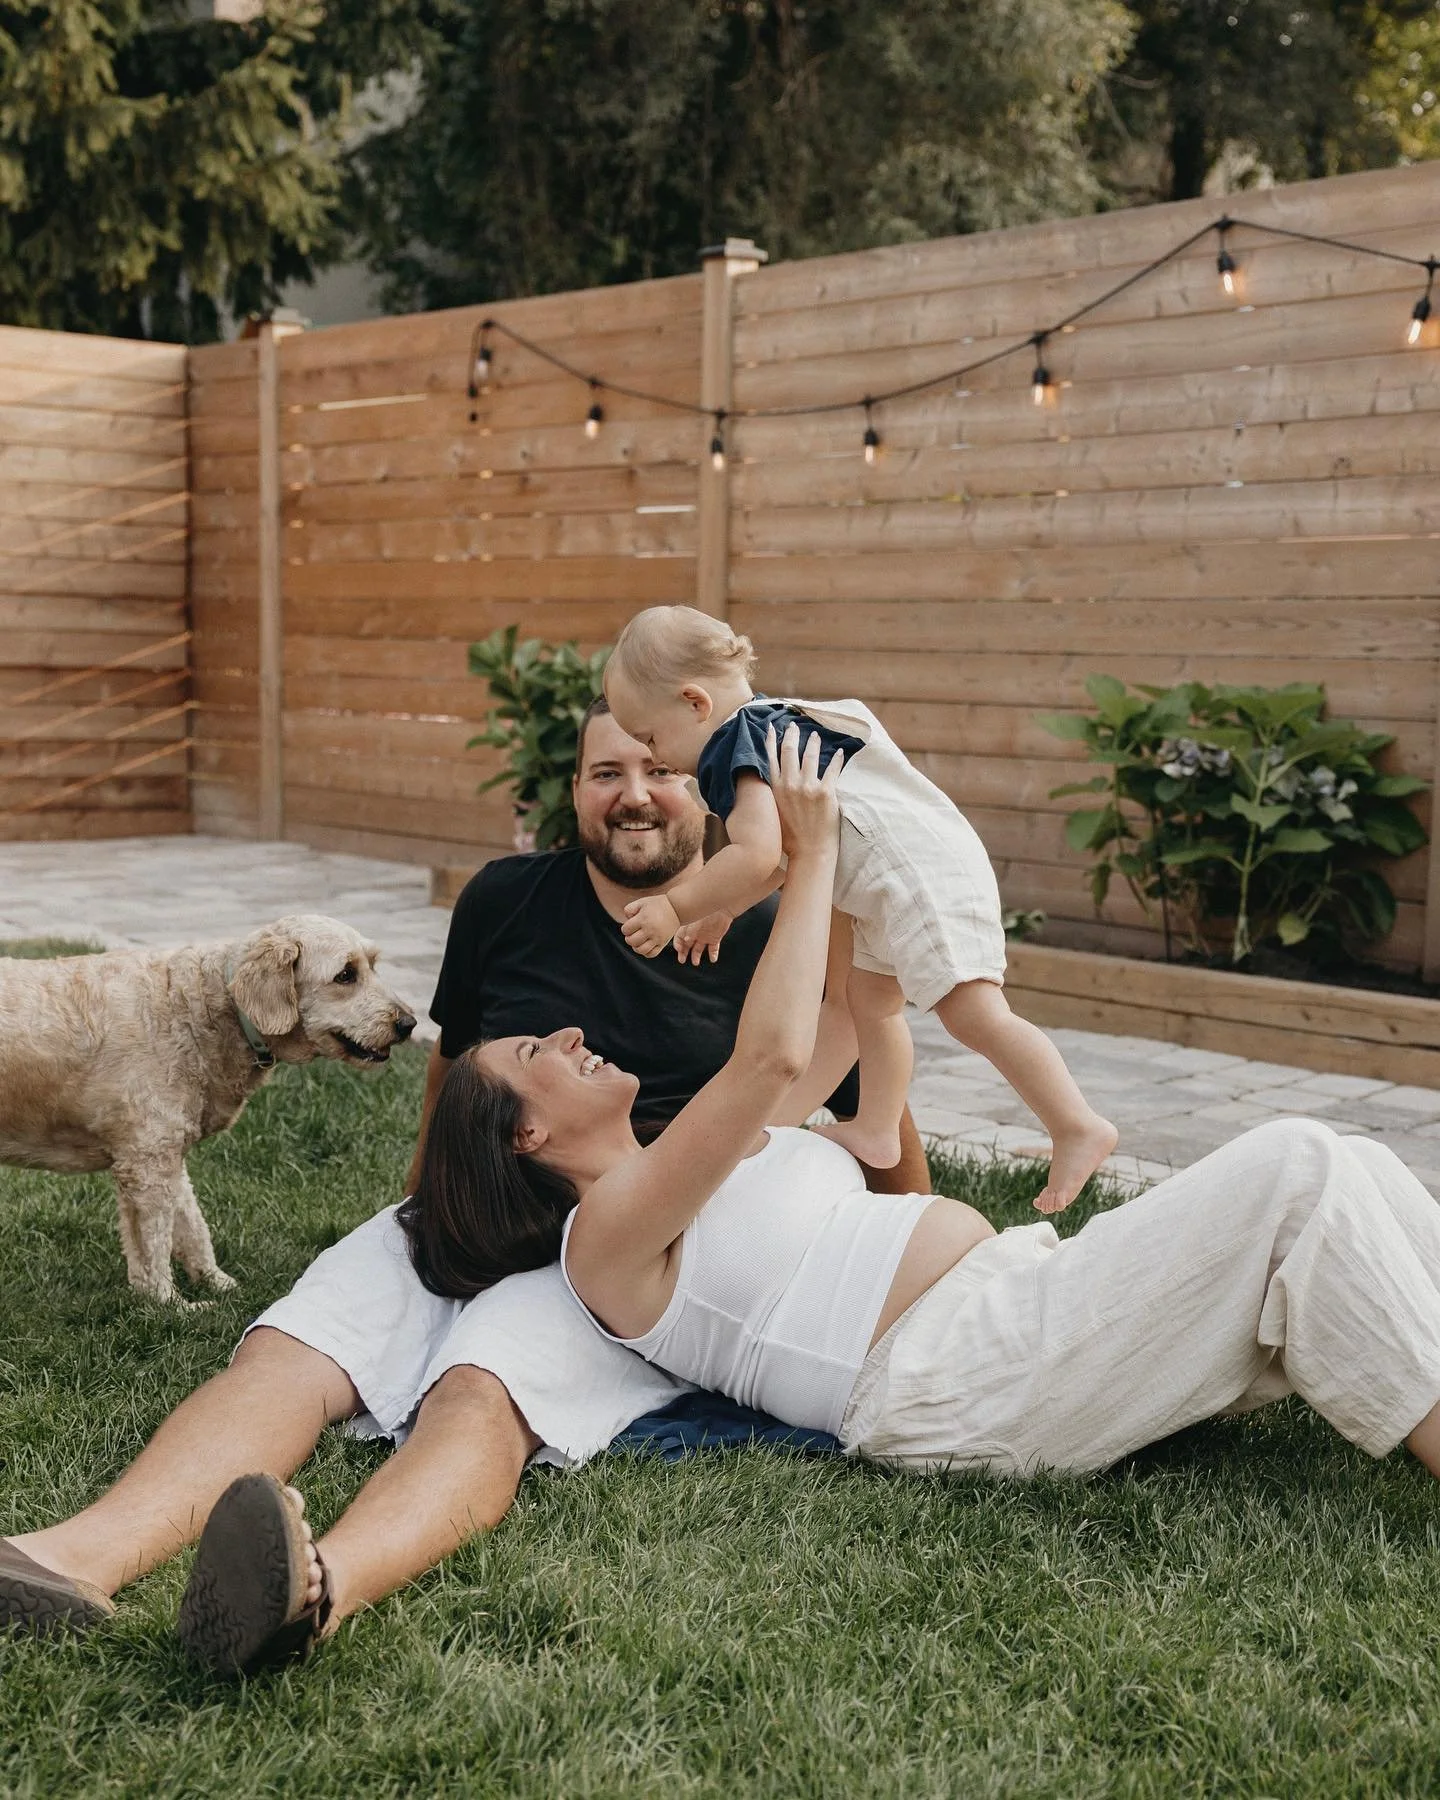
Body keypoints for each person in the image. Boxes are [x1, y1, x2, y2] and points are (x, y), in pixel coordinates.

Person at [386, 727, 1440, 1581]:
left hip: (1020, 1303)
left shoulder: (698, 1158)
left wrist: (818, 860)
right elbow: (772, 1055)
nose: (568, 1036)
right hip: (964, 1379)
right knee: (1298, 1169)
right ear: (526, 1134)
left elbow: (839, 1022)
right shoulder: (602, 1239)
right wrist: (809, 863)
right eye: (537, 1052)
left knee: (1355, 1164)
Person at [0, 702, 920, 1656]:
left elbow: (869, 1079)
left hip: (637, 1236)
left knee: (482, 1388)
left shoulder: (770, 922)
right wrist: (418, 1203)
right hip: (480, 1193)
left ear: (713, 784)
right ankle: (68, 1556)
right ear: (573, 792)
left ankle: (315, 1597)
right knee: (293, 1349)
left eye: (664, 771)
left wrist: (911, 1225)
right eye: (607, 773)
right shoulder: (506, 898)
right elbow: (453, 1069)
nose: (636, 794)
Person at [603, 604, 1115, 1211]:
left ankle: (1074, 1122)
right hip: (897, 871)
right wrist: (723, 911)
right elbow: (783, 853)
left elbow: (759, 850)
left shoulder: (731, 746)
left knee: (974, 1011)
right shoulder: (771, 724)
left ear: (694, 702)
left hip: (910, 875)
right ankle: (877, 1128)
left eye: (651, 739)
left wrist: (676, 906)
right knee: (870, 1001)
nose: (659, 758)